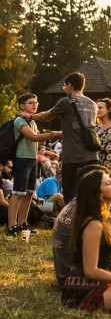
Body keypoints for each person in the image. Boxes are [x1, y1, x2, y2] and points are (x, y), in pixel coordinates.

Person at [22, 72, 98, 204]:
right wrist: (59, 133)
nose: (65, 89)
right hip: (92, 156)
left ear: (69, 85)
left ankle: (71, 222)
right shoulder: (93, 104)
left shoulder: (66, 101)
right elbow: (81, 128)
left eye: (64, 87)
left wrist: (29, 116)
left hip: (73, 156)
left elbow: (45, 116)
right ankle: (89, 222)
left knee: (70, 193)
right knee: (90, 192)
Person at [8, 93, 61, 236]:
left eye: (36, 103)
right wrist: (55, 135)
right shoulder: (19, 121)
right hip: (22, 159)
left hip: (33, 160)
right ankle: (11, 227)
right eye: (31, 102)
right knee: (17, 193)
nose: (35, 105)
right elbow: (34, 137)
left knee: (30, 193)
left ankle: (22, 225)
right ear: (22, 106)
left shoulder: (32, 121)